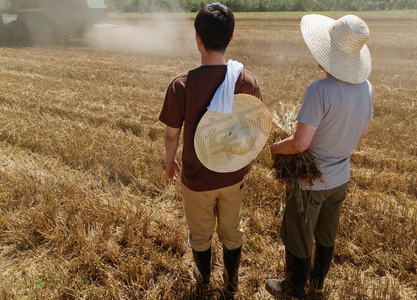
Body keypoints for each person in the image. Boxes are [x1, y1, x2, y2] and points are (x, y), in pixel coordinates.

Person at [159, 2, 268, 296]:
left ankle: (203, 283)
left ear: (197, 39)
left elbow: (172, 134)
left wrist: (170, 162)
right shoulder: (247, 80)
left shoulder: (180, 85)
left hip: (196, 178)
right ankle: (232, 285)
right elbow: (256, 126)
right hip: (234, 174)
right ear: (230, 38)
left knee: (200, 234)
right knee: (232, 232)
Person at [265, 14, 374, 299]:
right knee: (326, 234)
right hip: (340, 179)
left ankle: (294, 288)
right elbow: (364, 131)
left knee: (299, 237)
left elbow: (300, 143)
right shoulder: (366, 87)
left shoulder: (319, 90)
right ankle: (318, 284)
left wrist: (275, 148)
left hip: (309, 184)